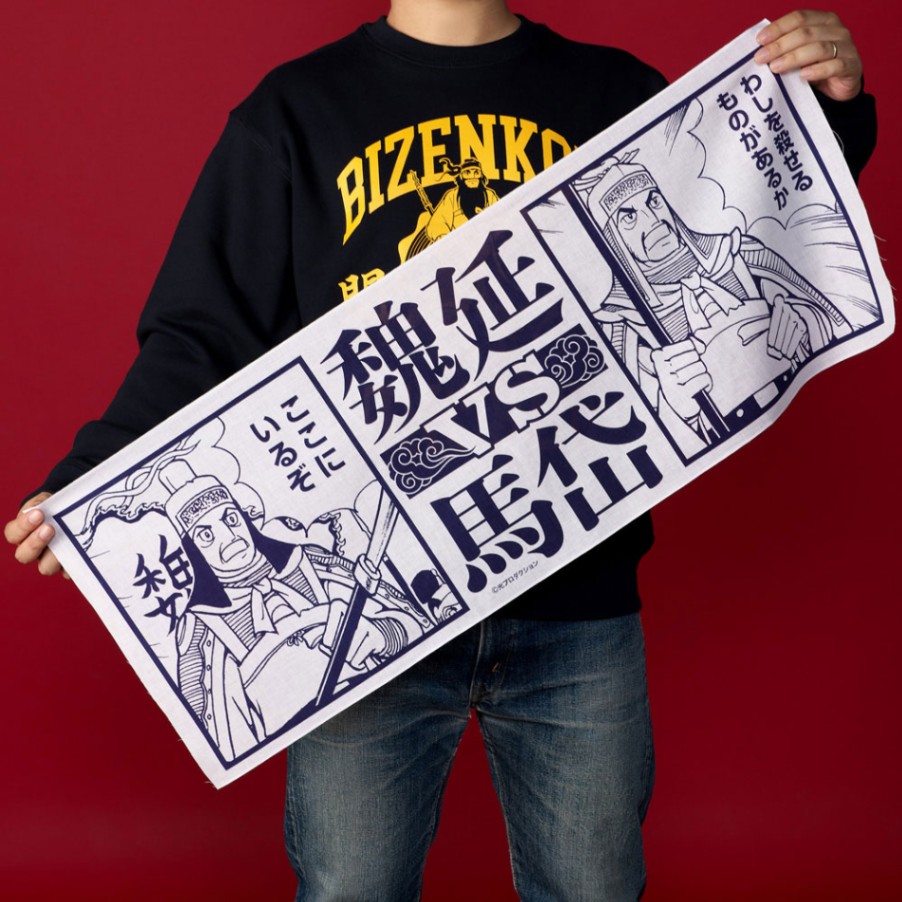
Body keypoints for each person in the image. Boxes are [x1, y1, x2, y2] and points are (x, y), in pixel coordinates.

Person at [5, 3, 876, 899]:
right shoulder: (292, 113)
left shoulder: (613, 93)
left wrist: (830, 103)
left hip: (576, 605)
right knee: (351, 889)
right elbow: (202, 333)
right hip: (367, 620)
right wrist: (93, 476)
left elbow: (766, 195)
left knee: (594, 888)